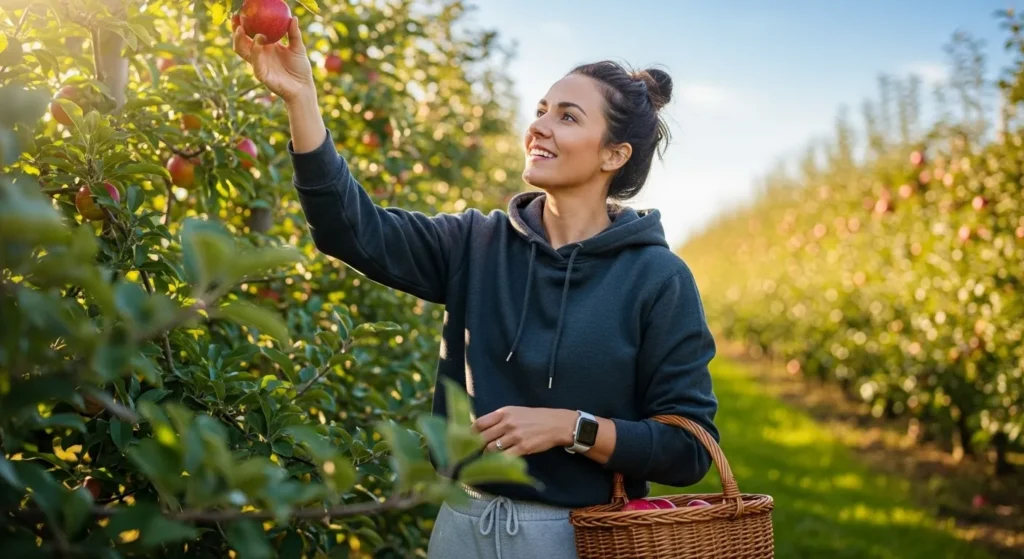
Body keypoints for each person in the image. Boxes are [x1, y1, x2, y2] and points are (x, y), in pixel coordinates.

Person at [233, 17, 719, 559]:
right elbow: (352, 229)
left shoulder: (657, 278)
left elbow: (689, 448)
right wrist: (302, 99)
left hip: (579, 537)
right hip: (460, 523)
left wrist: (570, 428)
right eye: (540, 110)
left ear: (614, 155)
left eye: (567, 116)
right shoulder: (475, 242)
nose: (539, 126)